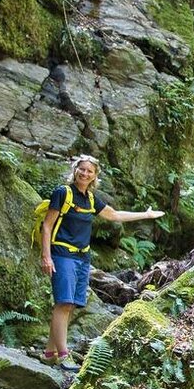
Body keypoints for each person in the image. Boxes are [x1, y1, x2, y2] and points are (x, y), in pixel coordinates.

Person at [39, 155, 164, 369]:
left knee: (71, 306)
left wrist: (146, 214)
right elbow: (47, 226)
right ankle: (63, 355)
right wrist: (46, 256)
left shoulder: (90, 199)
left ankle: (50, 353)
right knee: (64, 303)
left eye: (89, 171)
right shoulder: (63, 193)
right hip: (62, 254)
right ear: (75, 170)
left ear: (95, 176)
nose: (84, 173)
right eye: (82, 169)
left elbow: (114, 215)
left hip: (82, 257)